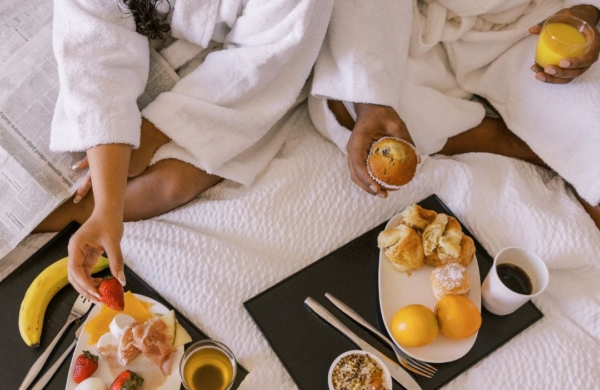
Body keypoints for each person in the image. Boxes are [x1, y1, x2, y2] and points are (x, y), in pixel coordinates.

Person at [37, 0, 335, 301]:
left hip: (250, 66)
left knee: (172, 181)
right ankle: (78, 213)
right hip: (139, 35)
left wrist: (153, 132)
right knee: (92, 140)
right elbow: (95, 50)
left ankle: (67, 215)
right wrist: (109, 194)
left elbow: (264, 59)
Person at [309, 1, 600, 229]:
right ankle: (512, 141)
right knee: (350, 107)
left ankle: (548, 137)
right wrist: (372, 102)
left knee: (592, 129)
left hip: (532, 24)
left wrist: (586, 12)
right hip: (420, 25)